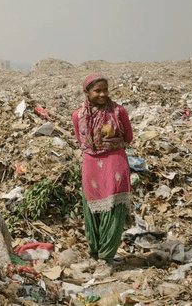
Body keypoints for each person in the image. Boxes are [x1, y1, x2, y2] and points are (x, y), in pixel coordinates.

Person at [71, 74, 133, 275]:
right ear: (87, 92)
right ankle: (94, 255)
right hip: (91, 164)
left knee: (113, 209)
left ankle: (106, 259)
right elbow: (81, 143)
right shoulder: (78, 116)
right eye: (97, 91)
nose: (103, 94)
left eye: (105, 90)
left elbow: (129, 137)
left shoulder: (118, 111)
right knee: (92, 209)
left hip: (114, 163)